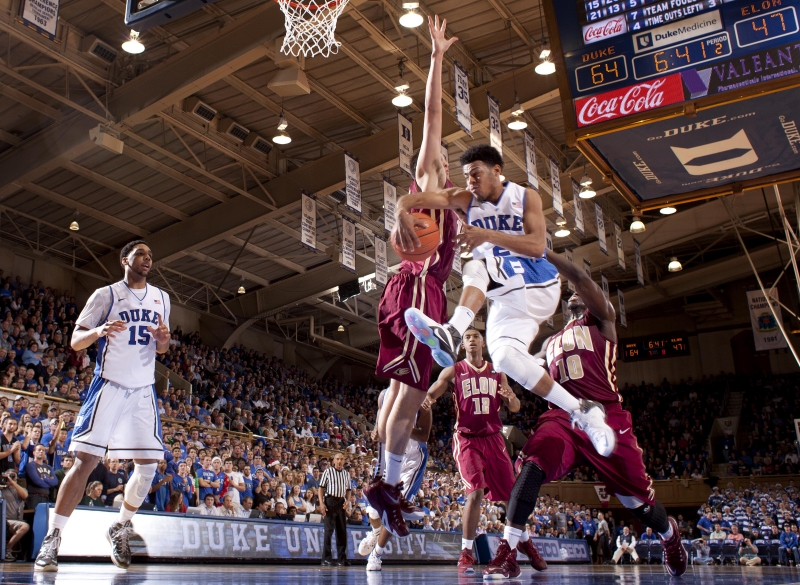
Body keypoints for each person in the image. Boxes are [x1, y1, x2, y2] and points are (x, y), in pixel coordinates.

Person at [480, 251, 687, 579]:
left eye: (582, 293)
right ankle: (507, 550)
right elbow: (521, 365)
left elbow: (581, 278)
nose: (575, 294)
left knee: (638, 506)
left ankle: (669, 537)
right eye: (573, 294)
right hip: (564, 418)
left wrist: (541, 253)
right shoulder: (550, 342)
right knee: (531, 467)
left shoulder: (603, 321)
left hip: (607, 416)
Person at [399, 147, 614, 460]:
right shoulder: (464, 198)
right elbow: (413, 199)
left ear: (496, 171)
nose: (470, 181)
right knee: (505, 360)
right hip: (507, 302)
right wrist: (402, 214)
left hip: (537, 283)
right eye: (467, 175)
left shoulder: (525, 197)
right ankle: (583, 412)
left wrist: (487, 234)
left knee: (477, 265)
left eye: (477, 174)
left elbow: (537, 245)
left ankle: (453, 332)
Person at [365, 15, 459, 539]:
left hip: (427, 295)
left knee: (409, 397)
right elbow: (430, 116)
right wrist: (437, 57)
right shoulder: (427, 182)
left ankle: (386, 485)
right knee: (406, 397)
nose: (441, 156)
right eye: (439, 154)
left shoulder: (449, 208)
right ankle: (386, 484)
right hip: (416, 292)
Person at [35, 240, 171, 572]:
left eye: (150, 255)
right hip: (109, 385)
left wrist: (165, 341)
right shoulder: (105, 295)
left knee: (150, 466)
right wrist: (99, 330)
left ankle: (120, 525)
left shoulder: (162, 298)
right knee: (84, 463)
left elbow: (162, 350)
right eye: (141, 254)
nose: (147, 260)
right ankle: (52, 540)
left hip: (143, 391)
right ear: (125, 259)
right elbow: (75, 341)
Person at [421, 327, 545, 574]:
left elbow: (515, 406)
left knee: (514, 496)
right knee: (475, 492)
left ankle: (525, 541)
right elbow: (434, 389)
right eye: (467, 337)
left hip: (494, 438)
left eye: (475, 336)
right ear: (463, 346)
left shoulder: (497, 372)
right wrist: (428, 399)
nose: (471, 340)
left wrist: (510, 398)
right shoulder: (454, 370)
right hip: (467, 439)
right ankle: (466, 552)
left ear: (482, 343)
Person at [359, 390, 432, 572]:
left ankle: (376, 554)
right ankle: (376, 531)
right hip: (389, 452)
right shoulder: (384, 395)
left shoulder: (423, 400)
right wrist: (377, 429)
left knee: (395, 508)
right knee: (373, 509)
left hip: (412, 458)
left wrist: (402, 426)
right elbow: (380, 424)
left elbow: (424, 436)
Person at [319, 453, 351, 566]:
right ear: (333, 461)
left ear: (344, 461)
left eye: (341, 459)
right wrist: (322, 503)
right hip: (330, 500)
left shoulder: (346, 474)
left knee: (342, 531)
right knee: (329, 531)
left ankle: (342, 558)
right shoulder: (328, 472)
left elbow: (348, 490)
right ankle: (326, 558)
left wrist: (347, 501)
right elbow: (321, 488)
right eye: (337, 459)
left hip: (341, 502)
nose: (339, 461)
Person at [1, 469, 29, 561]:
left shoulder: (20, 489)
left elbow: (25, 495)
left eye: (13, 475)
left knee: (25, 526)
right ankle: (7, 550)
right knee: (25, 526)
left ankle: (7, 549)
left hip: (16, 521)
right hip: (5, 521)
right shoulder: (2, 489)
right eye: (9, 475)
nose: (10, 478)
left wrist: (12, 482)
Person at [25, 443, 58, 509]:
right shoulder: (31, 465)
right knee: (33, 517)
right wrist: (49, 482)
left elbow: (55, 481)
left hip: (46, 497)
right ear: (34, 452)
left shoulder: (49, 467)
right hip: (34, 497)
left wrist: (45, 479)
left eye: (43, 450)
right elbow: (37, 481)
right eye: (39, 450)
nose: (41, 452)